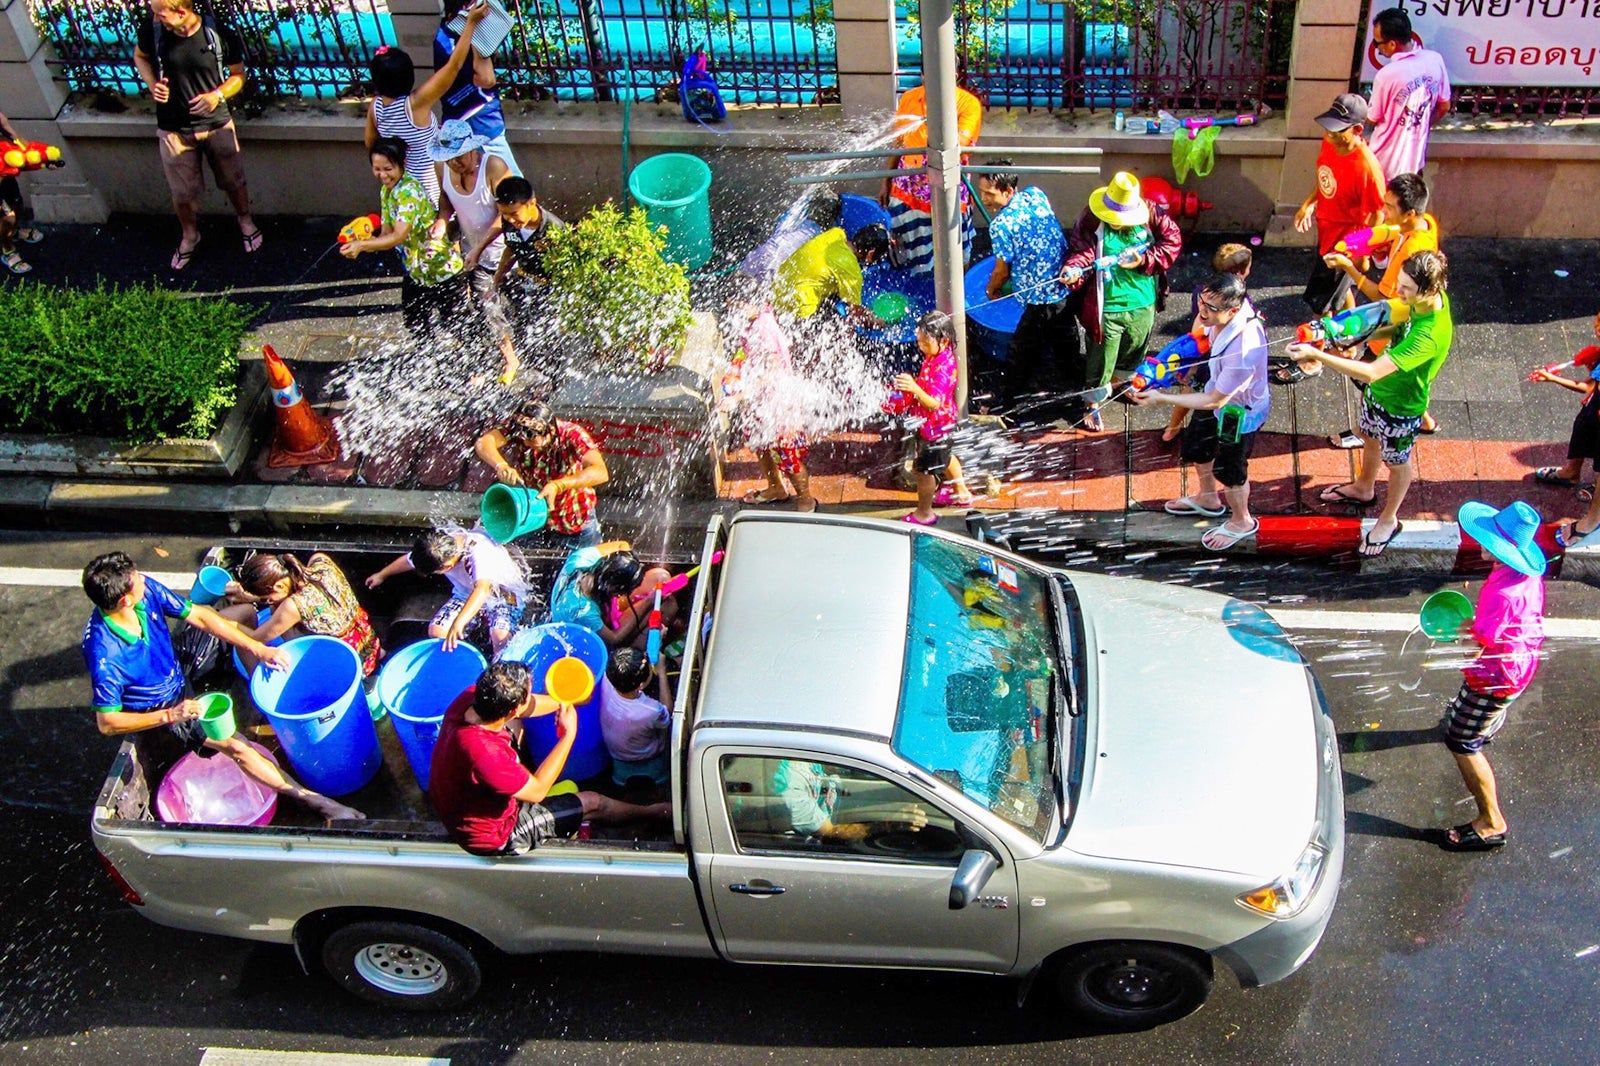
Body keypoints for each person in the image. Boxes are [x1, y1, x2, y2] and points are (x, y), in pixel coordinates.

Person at [80, 552, 362, 823]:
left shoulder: (145, 591)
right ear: (125, 600)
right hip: (163, 705)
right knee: (238, 747)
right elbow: (107, 723)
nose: (143, 578)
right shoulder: (106, 654)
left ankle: (260, 697)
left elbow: (201, 617)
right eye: (136, 579)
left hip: (174, 665)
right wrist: (171, 715)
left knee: (239, 614)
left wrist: (257, 647)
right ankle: (321, 804)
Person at [1287, 250, 1453, 556]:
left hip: (1401, 407)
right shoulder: (1426, 298)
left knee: (1397, 463)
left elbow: (1373, 371)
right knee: (1369, 437)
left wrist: (1320, 355)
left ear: (1428, 290)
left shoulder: (1429, 334)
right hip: (1379, 395)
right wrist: (1345, 335)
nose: (1399, 292)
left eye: (1406, 289)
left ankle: (1389, 519)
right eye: (1400, 282)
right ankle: (1364, 488)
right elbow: (1391, 318)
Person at [429, 662, 670, 856]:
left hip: (464, 798)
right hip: (496, 833)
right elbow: (537, 792)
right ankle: (653, 813)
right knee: (592, 802)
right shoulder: (487, 755)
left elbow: (524, 708)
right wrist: (569, 735)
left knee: (516, 728)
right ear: (511, 709)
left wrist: (568, 700)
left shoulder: (471, 699)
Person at [1437, 500, 1546, 852]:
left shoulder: (1500, 594)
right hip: (1519, 666)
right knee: (1483, 715)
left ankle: (1491, 821)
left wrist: (1454, 628)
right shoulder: (1526, 575)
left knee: (1460, 740)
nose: (1480, 541)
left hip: (1495, 678)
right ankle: (1487, 725)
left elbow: (1478, 639)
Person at [1133, 273, 1270, 552]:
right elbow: (1199, 335)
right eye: (1201, 302)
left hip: (1236, 412)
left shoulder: (1244, 350)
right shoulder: (1218, 316)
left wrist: (1160, 396)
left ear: (1233, 311)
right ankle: (1208, 498)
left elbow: (1215, 401)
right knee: (1196, 446)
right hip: (1213, 391)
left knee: (1231, 470)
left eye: (1210, 308)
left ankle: (1241, 521)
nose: (1202, 311)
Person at [1313, 171, 1443, 443]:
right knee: (1410, 378)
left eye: (1390, 207)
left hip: (1396, 328)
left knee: (1366, 378)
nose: (1384, 211)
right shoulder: (1425, 223)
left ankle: (1362, 434)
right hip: (1411, 318)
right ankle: (1426, 420)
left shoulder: (1410, 253)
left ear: (1408, 213)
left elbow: (1380, 297)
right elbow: (1386, 231)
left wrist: (1349, 267)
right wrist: (1350, 245)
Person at [132, 0, 259, 272]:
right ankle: (190, 235)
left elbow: (238, 75)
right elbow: (140, 56)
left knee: (233, 180)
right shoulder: (153, 32)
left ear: (181, 12)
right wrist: (153, 85)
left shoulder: (218, 33)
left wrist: (217, 95)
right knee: (182, 193)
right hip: (173, 128)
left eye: (159, 13)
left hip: (216, 123)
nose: (155, 18)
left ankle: (245, 220)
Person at [1061, 171, 1183, 432]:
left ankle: (1122, 381)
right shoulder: (1091, 218)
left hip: (1143, 302)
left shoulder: (1153, 216)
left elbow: (1172, 243)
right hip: (1107, 306)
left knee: (1136, 347)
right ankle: (1092, 402)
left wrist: (1143, 260)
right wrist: (1073, 270)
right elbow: (1082, 252)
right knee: (1101, 356)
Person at [339, 137, 470, 343]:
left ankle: (474, 367)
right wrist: (362, 242)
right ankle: (429, 362)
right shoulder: (387, 190)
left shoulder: (409, 192)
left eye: (388, 168)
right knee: (416, 324)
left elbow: (398, 236)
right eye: (377, 169)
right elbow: (386, 235)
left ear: (402, 164)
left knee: (458, 327)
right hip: (416, 271)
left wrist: (362, 245)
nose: (382, 175)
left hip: (441, 270)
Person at [364, 0, 488, 206]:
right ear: (408, 77)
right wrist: (471, 24)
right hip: (428, 192)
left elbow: (371, 144)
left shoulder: (375, 107)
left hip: (398, 192)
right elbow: (453, 66)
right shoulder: (415, 105)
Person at [974, 165, 1076, 413]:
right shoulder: (1035, 194)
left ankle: (1009, 405)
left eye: (989, 193)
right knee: (1068, 347)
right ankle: (1076, 394)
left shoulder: (1000, 225)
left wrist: (991, 290)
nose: (983, 199)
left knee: (1021, 353)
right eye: (981, 192)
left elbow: (1001, 270)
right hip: (1064, 285)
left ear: (1008, 192)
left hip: (1039, 299)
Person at [432, 120, 518, 384]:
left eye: (459, 158)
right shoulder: (442, 168)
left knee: (519, 304)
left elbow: (508, 214)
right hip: (476, 254)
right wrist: (441, 222)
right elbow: (445, 202)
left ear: (472, 150)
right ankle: (510, 358)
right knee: (487, 307)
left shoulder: (493, 167)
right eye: (449, 160)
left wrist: (479, 248)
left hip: (505, 252)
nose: (454, 164)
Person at [1293, 93, 1386, 317]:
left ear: (1357, 130)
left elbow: (1377, 215)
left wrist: (1361, 252)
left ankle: (1320, 347)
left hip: (1345, 242)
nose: (1329, 134)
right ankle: (1350, 341)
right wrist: (1308, 204)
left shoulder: (1367, 168)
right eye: (1328, 127)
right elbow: (1325, 178)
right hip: (1326, 231)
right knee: (1339, 294)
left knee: (1321, 304)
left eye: (1337, 130)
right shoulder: (1330, 143)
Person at [217, 552, 381, 677]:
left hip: (348, 663)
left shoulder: (293, 606)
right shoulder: (320, 561)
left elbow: (253, 639)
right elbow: (299, 595)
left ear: (279, 586)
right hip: (368, 642)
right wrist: (252, 597)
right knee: (274, 607)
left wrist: (219, 621)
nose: (265, 601)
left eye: (265, 598)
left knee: (244, 638)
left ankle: (257, 682)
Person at [366, 529, 527, 656]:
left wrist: (459, 622)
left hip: (503, 595)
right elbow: (409, 561)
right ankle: (461, 659)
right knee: (437, 632)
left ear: (447, 566)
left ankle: (499, 664)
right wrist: (382, 574)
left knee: (499, 636)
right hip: (466, 594)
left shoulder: (477, 553)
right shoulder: (437, 547)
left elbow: (483, 589)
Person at [475, 401, 608, 551]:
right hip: (533, 515)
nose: (525, 442)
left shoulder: (572, 434)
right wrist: (501, 465)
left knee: (584, 568)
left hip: (574, 517)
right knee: (525, 567)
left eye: (531, 439)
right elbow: (484, 442)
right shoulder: (520, 428)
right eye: (522, 438)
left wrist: (559, 485)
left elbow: (600, 472)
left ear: (550, 430)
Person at [879, 82, 981, 275]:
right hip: (907, 193)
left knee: (956, 251)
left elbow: (956, 147)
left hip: (949, 194)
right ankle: (918, 289)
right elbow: (899, 143)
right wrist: (886, 179)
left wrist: (935, 119)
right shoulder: (909, 99)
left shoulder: (968, 104)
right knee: (911, 250)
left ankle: (958, 296)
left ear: (952, 75)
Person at [724, 299, 815, 511]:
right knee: (760, 444)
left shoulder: (764, 330)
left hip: (778, 404)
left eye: (738, 305)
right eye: (732, 306)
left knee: (788, 454)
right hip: (760, 401)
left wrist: (737, 397)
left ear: (754, 300)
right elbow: (745, 356)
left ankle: (806, 499)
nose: (735, 310)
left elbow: (770, 374)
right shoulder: (754, 320)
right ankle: (775, 487)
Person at [883, 311, 973, 525]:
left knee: (923, 472)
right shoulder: (939, 355)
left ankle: (924, 513)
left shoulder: (942, 368)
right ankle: (961, 493)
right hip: (942, 424)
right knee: (947, 458)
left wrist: (914, 388)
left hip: (935, 427)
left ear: (943, 340)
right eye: (919, 341)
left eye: (925, 342)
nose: (921, 346)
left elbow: (933, 402)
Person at [1164, 242, 1253, 443]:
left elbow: (1198, 328)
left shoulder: (1201, 291)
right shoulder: (1238, 304)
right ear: (1240, 273)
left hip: (1200, 353)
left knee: (1190, 388)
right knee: (1212, 397)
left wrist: (1191, 363)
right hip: (1214, 357)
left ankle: (1173, 427)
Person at [487, 177, 567, 374]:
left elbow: (567, 268)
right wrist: (497, 278)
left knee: (549, 334)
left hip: (551, 289)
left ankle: (555, 374)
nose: (510, 220)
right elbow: (511, 248)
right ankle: (535, 369)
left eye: (514, 214)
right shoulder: (512, 224)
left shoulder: (553, 230)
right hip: (526, 283)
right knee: (525, 327)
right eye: (504, 215)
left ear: (531, 203)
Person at [434, 0, 522, 175]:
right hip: (481, 116)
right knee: (513, 186)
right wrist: (479, 33)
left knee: (475, 182)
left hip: (455, 116)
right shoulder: (471, 29)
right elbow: (486, 79)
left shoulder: (443, 35)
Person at [1366, 7, 1451, 179]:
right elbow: (1444, 106)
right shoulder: (1435, 60)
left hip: (1382, 165)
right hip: (1414, 164)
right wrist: (1421, 124)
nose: (1377, 49)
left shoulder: (1386, 75)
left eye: (1377, 43)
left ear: (1391, 44)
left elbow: (1372, 118)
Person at [1529, 310, 1600, 514]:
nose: (1596, 330)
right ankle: (1571, 472)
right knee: (1582, 433)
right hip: (1594, 406)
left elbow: (1586, 387)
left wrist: (1553, 379)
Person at [548, 541, 668, 647]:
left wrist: (629, 563)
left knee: (661, 577)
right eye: (624, 592)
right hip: (580, 637)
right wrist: (648, 602)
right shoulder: (583, 611)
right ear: (614, 590)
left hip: (600, 601)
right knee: (666, 606)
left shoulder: (582, 558)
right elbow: (614, 639)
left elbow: (623, 545)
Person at [774, 759, 926, 841]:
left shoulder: (821, 759)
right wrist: (887, 825)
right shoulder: (792, 785)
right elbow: (829, 831)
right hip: (806, 851)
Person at [772, 223, 889, 322]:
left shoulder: (835, 233)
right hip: (795, 311)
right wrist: (877, 321)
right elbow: (855, 313)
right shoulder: (852, 269)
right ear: (870, 254)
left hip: (776, 287)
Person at [599, 647, 672, 789]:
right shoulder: (650, 710)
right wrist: (662, 672)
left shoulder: (605, 680)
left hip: (616, 753)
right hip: (649, 756)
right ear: (641, 685)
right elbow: (667, 712)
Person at [0, 108, 44, 276]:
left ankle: (14, 233)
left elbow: (19, 144)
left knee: (16, 204)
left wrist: (41, 159)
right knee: (7, 217)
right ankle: (7, 249)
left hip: (5, 175)